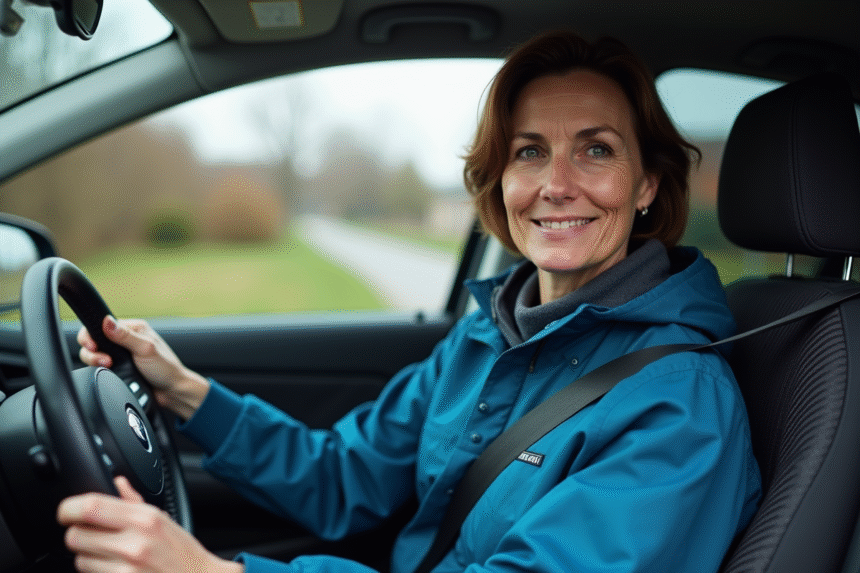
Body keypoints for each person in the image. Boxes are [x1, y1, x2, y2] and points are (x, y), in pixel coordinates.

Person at [58, 30, 761, 573]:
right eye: (528, 151)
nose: (557, 183)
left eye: (597, 150)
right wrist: (184, 391)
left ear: (646, 186)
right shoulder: (487, 337)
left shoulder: (680, 400)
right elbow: (343, 475)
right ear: (500, 178)